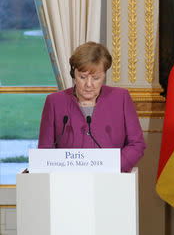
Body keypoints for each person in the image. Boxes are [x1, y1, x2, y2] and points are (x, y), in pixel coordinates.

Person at [38, 42, 146, 172]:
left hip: (112, 180)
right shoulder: (54, 102)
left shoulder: (121, 98)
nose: (89, 84)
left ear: (104, 76)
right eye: (82, 77)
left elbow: (137, 144)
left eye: (96, 78)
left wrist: (113, 167)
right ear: (73, 74)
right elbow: (45, 150)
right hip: (67, 182)